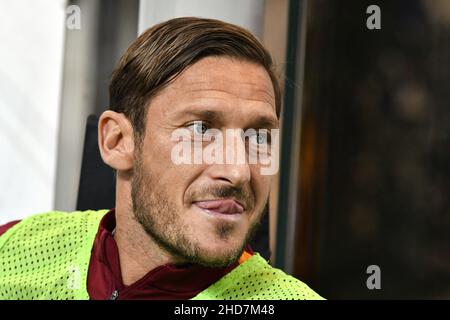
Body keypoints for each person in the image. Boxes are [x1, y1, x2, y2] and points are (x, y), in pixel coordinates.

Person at [0, 17, 323, 300]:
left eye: (257, 137)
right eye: (200, 129)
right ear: (118, 141)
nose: (238, 171)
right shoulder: (15, 251)